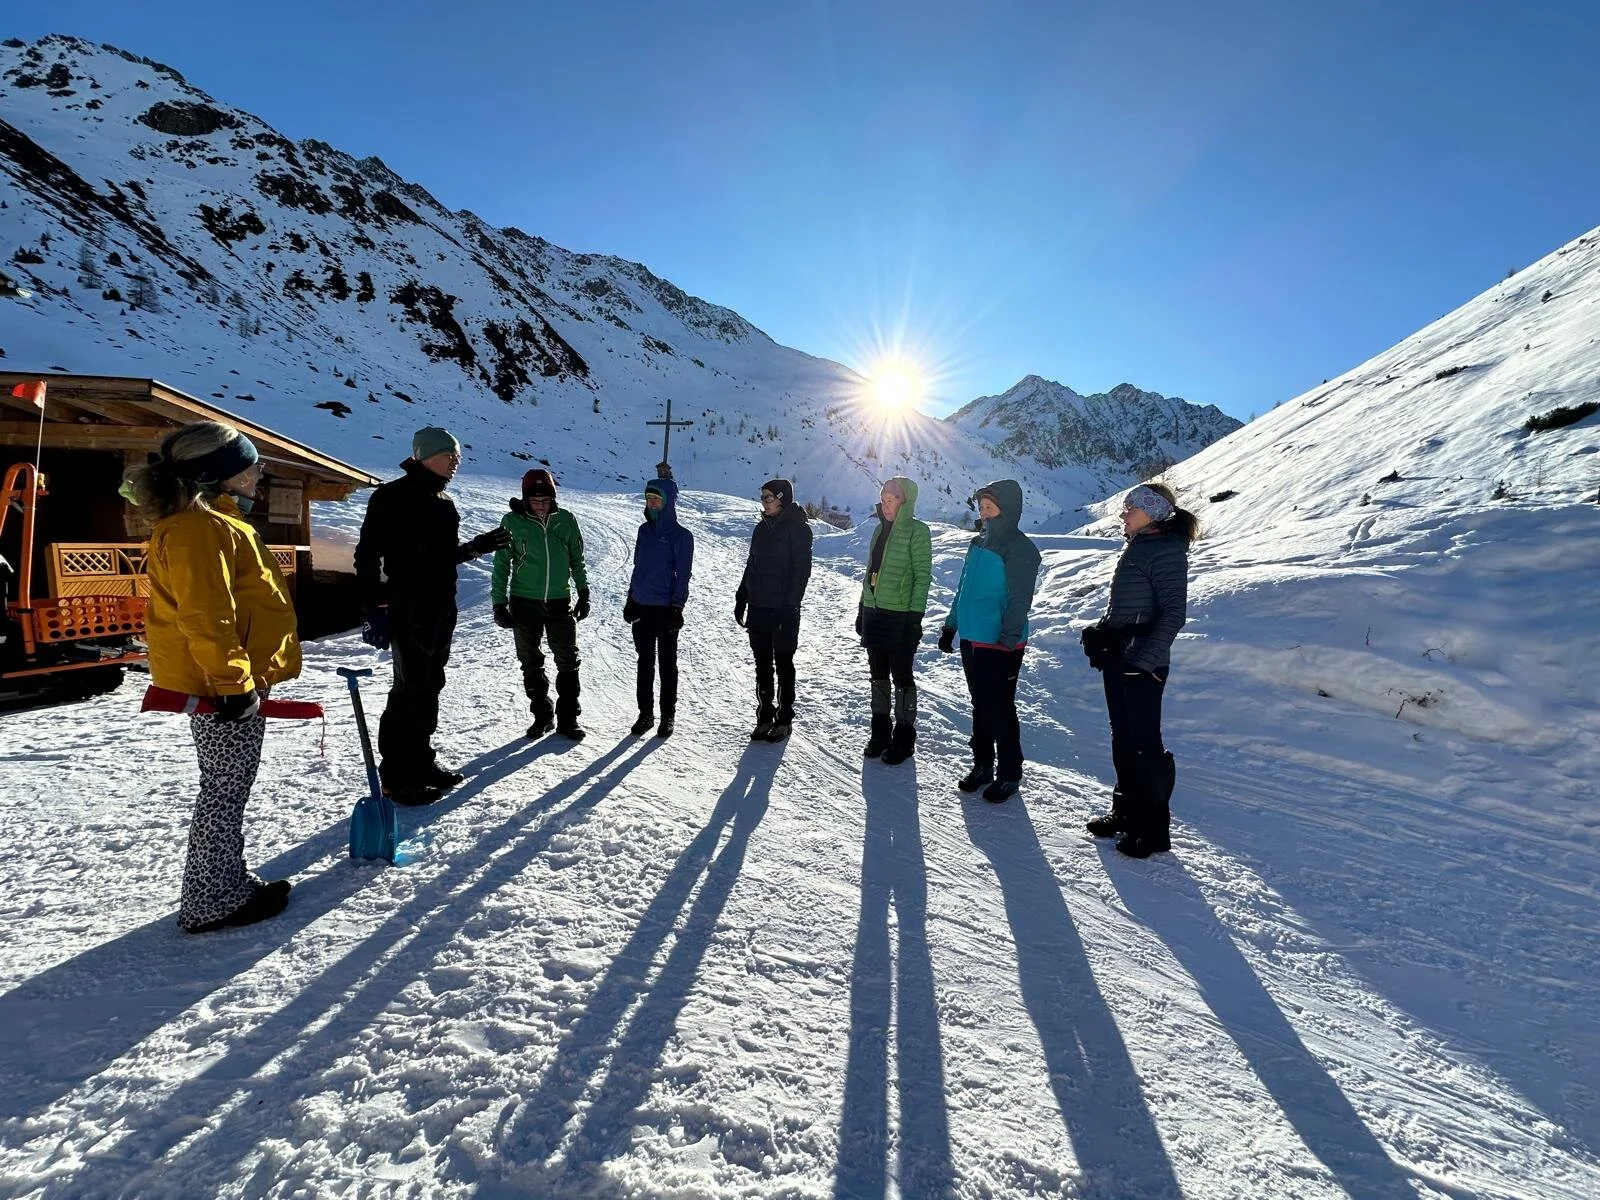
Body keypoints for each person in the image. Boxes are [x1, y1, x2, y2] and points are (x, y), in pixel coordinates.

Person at [122, 421, 298, 933]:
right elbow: (206, 615)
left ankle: (225, 882)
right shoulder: (199, 531)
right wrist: (234, 684)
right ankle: (211, 900)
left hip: (225, 681)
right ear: (219, 475)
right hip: (220, 687)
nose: (259, 472)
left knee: (227, 785)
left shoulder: (213, 523)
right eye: (250, 464)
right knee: (224, 788)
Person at [355, 426, 510, 804]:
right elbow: (367, 555)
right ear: (425, 455)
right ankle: (396, 776)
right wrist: (374, 606)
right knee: (409, 690)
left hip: (441, 605)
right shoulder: (391, 497)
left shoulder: (443, 502)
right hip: (407, 606)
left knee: (429, 686)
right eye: (448, 455)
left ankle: (420, 762)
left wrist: (476, 547)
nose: (455, 462)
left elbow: (441, 557)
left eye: (457, 456)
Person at [1081, 482, 1196, 858]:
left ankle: (1153, 830)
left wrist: (1143, 664)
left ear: (1152, 512)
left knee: (1146, 746)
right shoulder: (1140, 547)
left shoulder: (1166, 551)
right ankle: (1125, 812)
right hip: (1122, 658)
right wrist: (1104, 631)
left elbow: (1173, 614)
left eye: (1131, 507)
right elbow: (1131, 608)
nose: (1123, 513)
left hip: (1142, 665)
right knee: (1123, 738)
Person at [937, 480, 1042, 803]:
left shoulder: (1020, 549)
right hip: (973, 638)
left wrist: (1007, 640)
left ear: (1006, 510)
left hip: (1000, 642)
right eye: (981, 507)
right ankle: (982, 764)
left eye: (990, 507)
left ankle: (1010, 773)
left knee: (1000, 708)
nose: (983, 514)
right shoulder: (977, 544)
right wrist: (951, 625)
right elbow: (963, 590)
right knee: (980, 704)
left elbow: (1019, 600)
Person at [490, 468, 591, 741]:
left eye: (545, 499)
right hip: (524, 602)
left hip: (559, 601)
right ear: (525, 499)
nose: (541, 505)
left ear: (553, 498)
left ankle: (568, 719)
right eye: (535, 500)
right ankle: (542, 716)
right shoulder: (512, 522)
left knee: (568, 660)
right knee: (530, 662)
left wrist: (583, 592)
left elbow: (576, 560)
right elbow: (501, 565)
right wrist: (499, 604)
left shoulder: (566, 521)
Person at [857, 477, 932, 765]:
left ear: (906, 501)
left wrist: (915, 618)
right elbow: (870, 572)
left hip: (900, 616)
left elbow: (922, 577)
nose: (886, 502)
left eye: (893, 498)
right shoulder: (878, 531)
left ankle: (904, 739)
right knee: (877, 675)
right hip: (876, 613)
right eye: (884, 497)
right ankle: (880, 734)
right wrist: (863, 608)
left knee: (901, 677)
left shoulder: (917, 532)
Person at [734, 477, 812, 741]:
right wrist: (742, 595)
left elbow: (802, 571)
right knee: (762, 665)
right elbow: (752, 563)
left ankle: (784, 718)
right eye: (762, 498)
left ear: (782, 498)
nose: (764, 503)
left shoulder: (799, 529)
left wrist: (791, 605)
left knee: (783, 663)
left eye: (769, 498)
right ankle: (764, 716)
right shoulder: (760, 529)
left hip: (782, 610)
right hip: (758, 606)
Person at [623, 475, 694, 738]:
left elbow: (683, 574)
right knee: (645, 663)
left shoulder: (682, 537)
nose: (652, 503)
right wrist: (631, 597)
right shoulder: (644, 531)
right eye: (649, 498)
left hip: (665, 610)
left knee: (667, 664)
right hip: (641, 606)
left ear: (668, 502)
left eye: (657, 499)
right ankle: (645, 714)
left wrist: (677, 607)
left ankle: (667, 715)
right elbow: (638, 566)